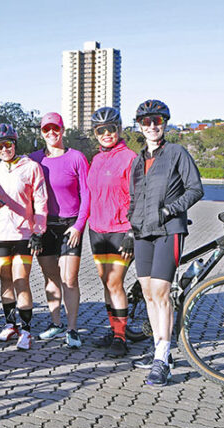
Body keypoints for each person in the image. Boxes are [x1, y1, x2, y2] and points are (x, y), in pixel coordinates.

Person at [128, 99, 203, 386]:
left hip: (169, 229)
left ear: (165, 123)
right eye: (146, 122)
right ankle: (159, 347)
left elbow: (196, 189)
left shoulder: (176, 153)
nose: (151, 126)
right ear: (140, 126)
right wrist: (130, 221)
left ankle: (163, 357)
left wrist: (171, 209)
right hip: (143, 232)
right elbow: (135, 196)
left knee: (161, 292)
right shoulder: (138, 160)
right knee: (147, 293)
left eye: (156, 121)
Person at [0, 124, 47, 351]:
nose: (4, 149)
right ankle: (11, 325)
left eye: (8, 144)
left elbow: (40, 201)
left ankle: (26, 330)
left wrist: (38, 231)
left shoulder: (31, 167)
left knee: (21, 280)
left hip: (23, 234)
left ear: (15, 144)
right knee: (5, 280)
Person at [29, 112, 90, 349]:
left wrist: (78, 225)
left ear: (63, 130)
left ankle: (72, 328)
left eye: (56, 129)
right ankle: (55, 324)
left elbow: (86, 194)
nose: (51, 133)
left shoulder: (76, 158)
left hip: (69, 226)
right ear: (41, 133)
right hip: (45, 226)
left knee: (69, 279)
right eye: (46, 130)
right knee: (51, 277)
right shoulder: (34, 159)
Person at [87, 107, 138, 358]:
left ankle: (121, 336)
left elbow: (139, 197)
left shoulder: (130, 157)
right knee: (105, 282)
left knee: (115, 283)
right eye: (100, 130)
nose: (106, 134)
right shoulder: (96, 159)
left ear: (119, 129)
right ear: (95, 133)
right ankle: (115, 328)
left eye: (111, 129)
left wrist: (132, 231)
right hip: (97, 229)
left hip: (121, 230)